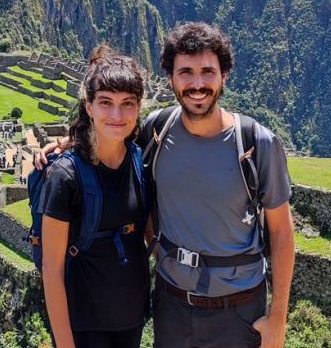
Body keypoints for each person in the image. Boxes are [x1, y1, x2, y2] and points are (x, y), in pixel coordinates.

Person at [39, 22, 295, 348]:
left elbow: (282, 232)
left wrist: (279, 316)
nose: (197, 84)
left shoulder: (255, 143)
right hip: (172, 306)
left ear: (224, 76)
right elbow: (112, 132)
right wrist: (66, 144)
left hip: (238, 308)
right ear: (171, 79)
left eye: (207, 72)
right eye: (186, 72)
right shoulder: (159, 131)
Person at [39, 45, 150, 348]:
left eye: (127, 103)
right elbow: (52, 268)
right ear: (89, 107)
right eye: (105, 102)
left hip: (131, 315)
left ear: (139, 107)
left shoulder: (140, 158)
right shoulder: (66, 176)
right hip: (85, 322)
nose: (117, 114)